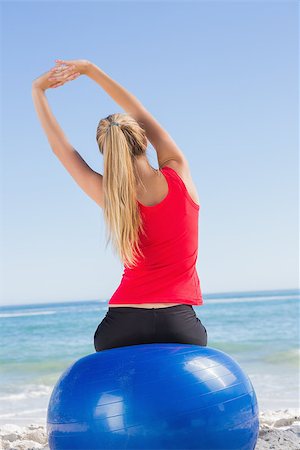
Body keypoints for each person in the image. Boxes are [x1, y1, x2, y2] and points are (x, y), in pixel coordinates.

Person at [31, 59, 208, 352]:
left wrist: (39, 90)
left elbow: (60, 149)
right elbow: (140, 112)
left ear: (106, 151)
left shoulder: (111, 196)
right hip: (180, 324)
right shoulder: (179, 173)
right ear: (144, 139)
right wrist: (90, 70)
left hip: (121, 325)